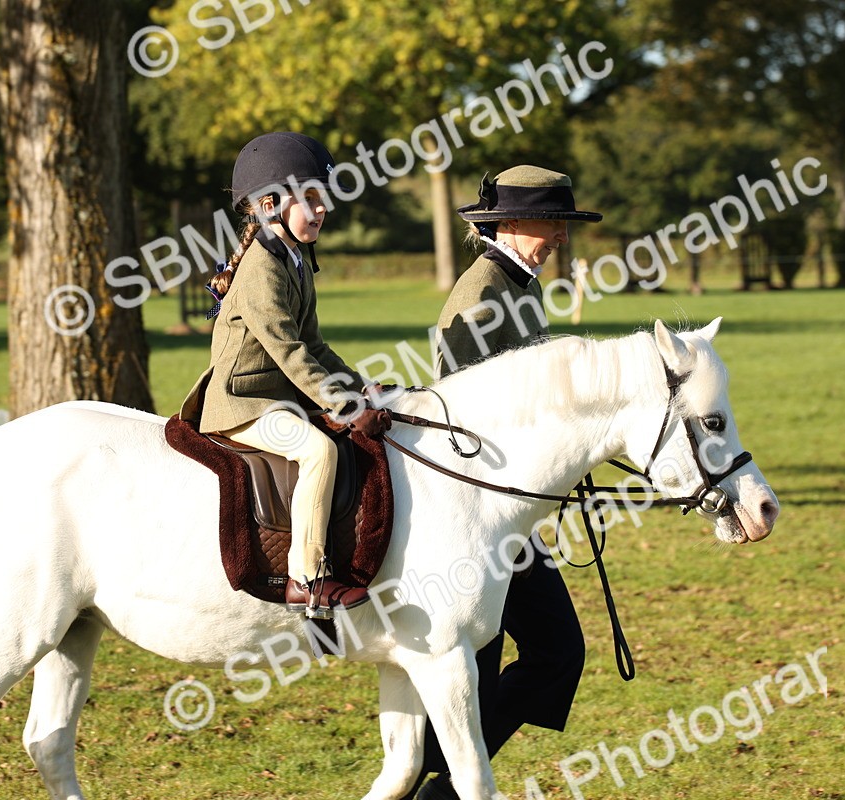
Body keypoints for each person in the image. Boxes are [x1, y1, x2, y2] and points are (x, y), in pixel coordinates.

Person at [417, 166, 603, 800]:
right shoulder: (481, 293)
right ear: (511, 223)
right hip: (478, 508)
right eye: (552, 224)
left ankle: (437, 783)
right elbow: (468, 408)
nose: (560, 238)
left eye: (563, 226)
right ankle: (439, 783)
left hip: (511, 508)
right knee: (522, 654)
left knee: (534, 654)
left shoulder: (519, 285)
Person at [180, 132, 390, 620]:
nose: (321, 210)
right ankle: (308, 579)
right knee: (317, 450)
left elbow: (315, 344)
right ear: (270, 205)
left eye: (324, 200)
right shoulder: (261, 268)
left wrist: (360, 387)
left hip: (276, 399)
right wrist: (346, 407)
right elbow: (290, 352)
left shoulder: (295, 258)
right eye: (310, 199)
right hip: (240, 404)